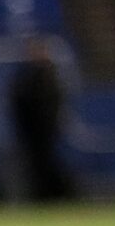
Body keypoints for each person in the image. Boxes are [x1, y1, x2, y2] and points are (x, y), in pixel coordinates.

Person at [10, 37, 76, 203]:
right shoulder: (26, 76)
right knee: (36, 166)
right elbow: (19, 102)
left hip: (47, 130)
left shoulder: (50, 76)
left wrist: (51, 122)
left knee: (48, 164)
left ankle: (54, 196)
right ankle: (42, 197)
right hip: (33, 131)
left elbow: (56, 102)